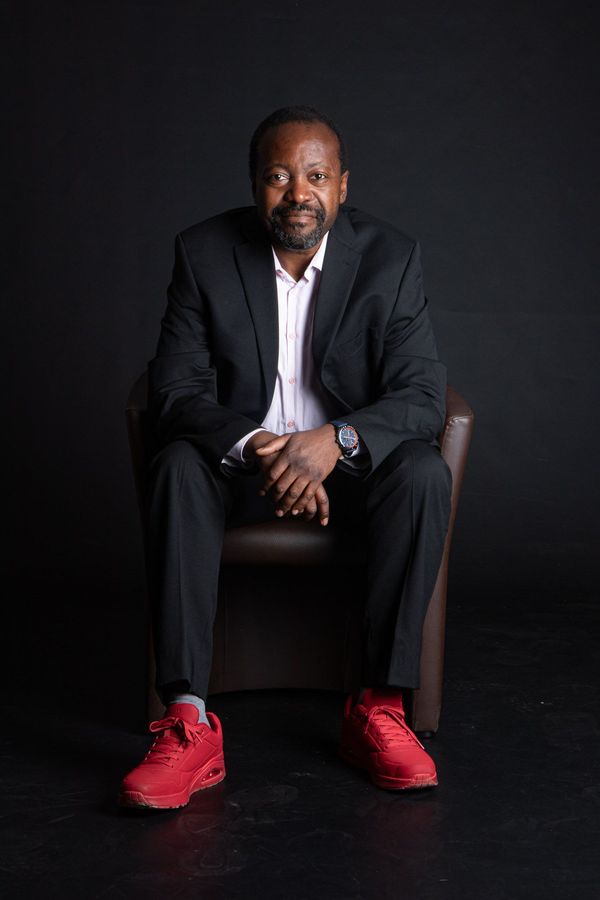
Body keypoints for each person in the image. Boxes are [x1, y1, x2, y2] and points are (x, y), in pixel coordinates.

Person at [119, 106, 452, 809]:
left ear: (342, 186)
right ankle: (185, 722)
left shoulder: (391, 259)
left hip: (348, 477)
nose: (297, 192)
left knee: (423, 469)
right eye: (278, 176)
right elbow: (175, 389)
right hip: (237, 471)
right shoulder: (203, 253)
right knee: (176, 464)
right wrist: (263, 446)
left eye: (315, 176)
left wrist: (332, 443)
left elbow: (422, 397)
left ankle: (379, 709)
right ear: (254, 186)